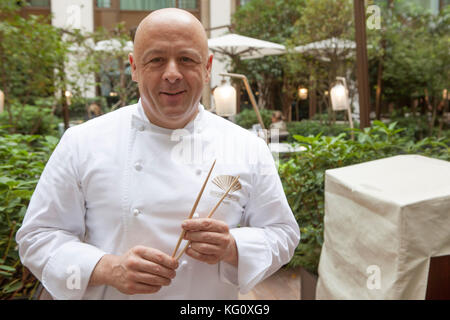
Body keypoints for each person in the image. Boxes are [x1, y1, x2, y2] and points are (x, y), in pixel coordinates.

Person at [16, 8, 300, 300]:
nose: (172, 74)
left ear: (207, 67)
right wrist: (107, 268)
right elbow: (38, 237)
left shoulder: (247, 147)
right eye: (156, 60)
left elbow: (282, 233)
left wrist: (232, 247)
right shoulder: (82, 142)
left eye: (187, 59)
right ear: (134, 68)